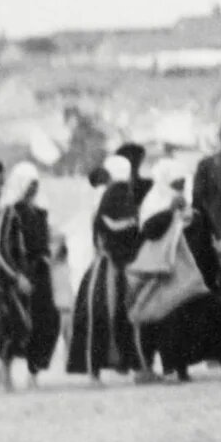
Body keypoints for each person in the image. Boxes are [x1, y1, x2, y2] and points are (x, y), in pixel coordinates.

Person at [134, 176, 221, 381]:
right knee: (166, 322)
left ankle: (178, 368)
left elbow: (205, 245)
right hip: (162, 276)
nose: (180, 190)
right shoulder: (155, 209)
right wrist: (169, 212)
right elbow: (148, 234)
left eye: (182, 185)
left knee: (184, 322)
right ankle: (165, 368)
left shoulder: (193, 213)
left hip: (186, 276)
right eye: (176, 185)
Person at [67, 153, 149, 381]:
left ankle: (113, 368)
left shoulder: (111, 194)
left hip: (109, 264)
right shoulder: (117, 194)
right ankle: (132, 368)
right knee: (110, 316)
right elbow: (121, 229)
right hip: (113, 265)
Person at [0, 162, 62, 384]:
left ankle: (33, 373)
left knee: (47, 323)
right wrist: (16, 277)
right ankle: (6, 373)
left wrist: (51, 258)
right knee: (16, 325)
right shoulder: (7, 213)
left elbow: (44, 244)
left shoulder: (40, 212)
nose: (33, 189)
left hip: (40, 276)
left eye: (35, 184)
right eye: (29, 184)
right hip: (16, 277)